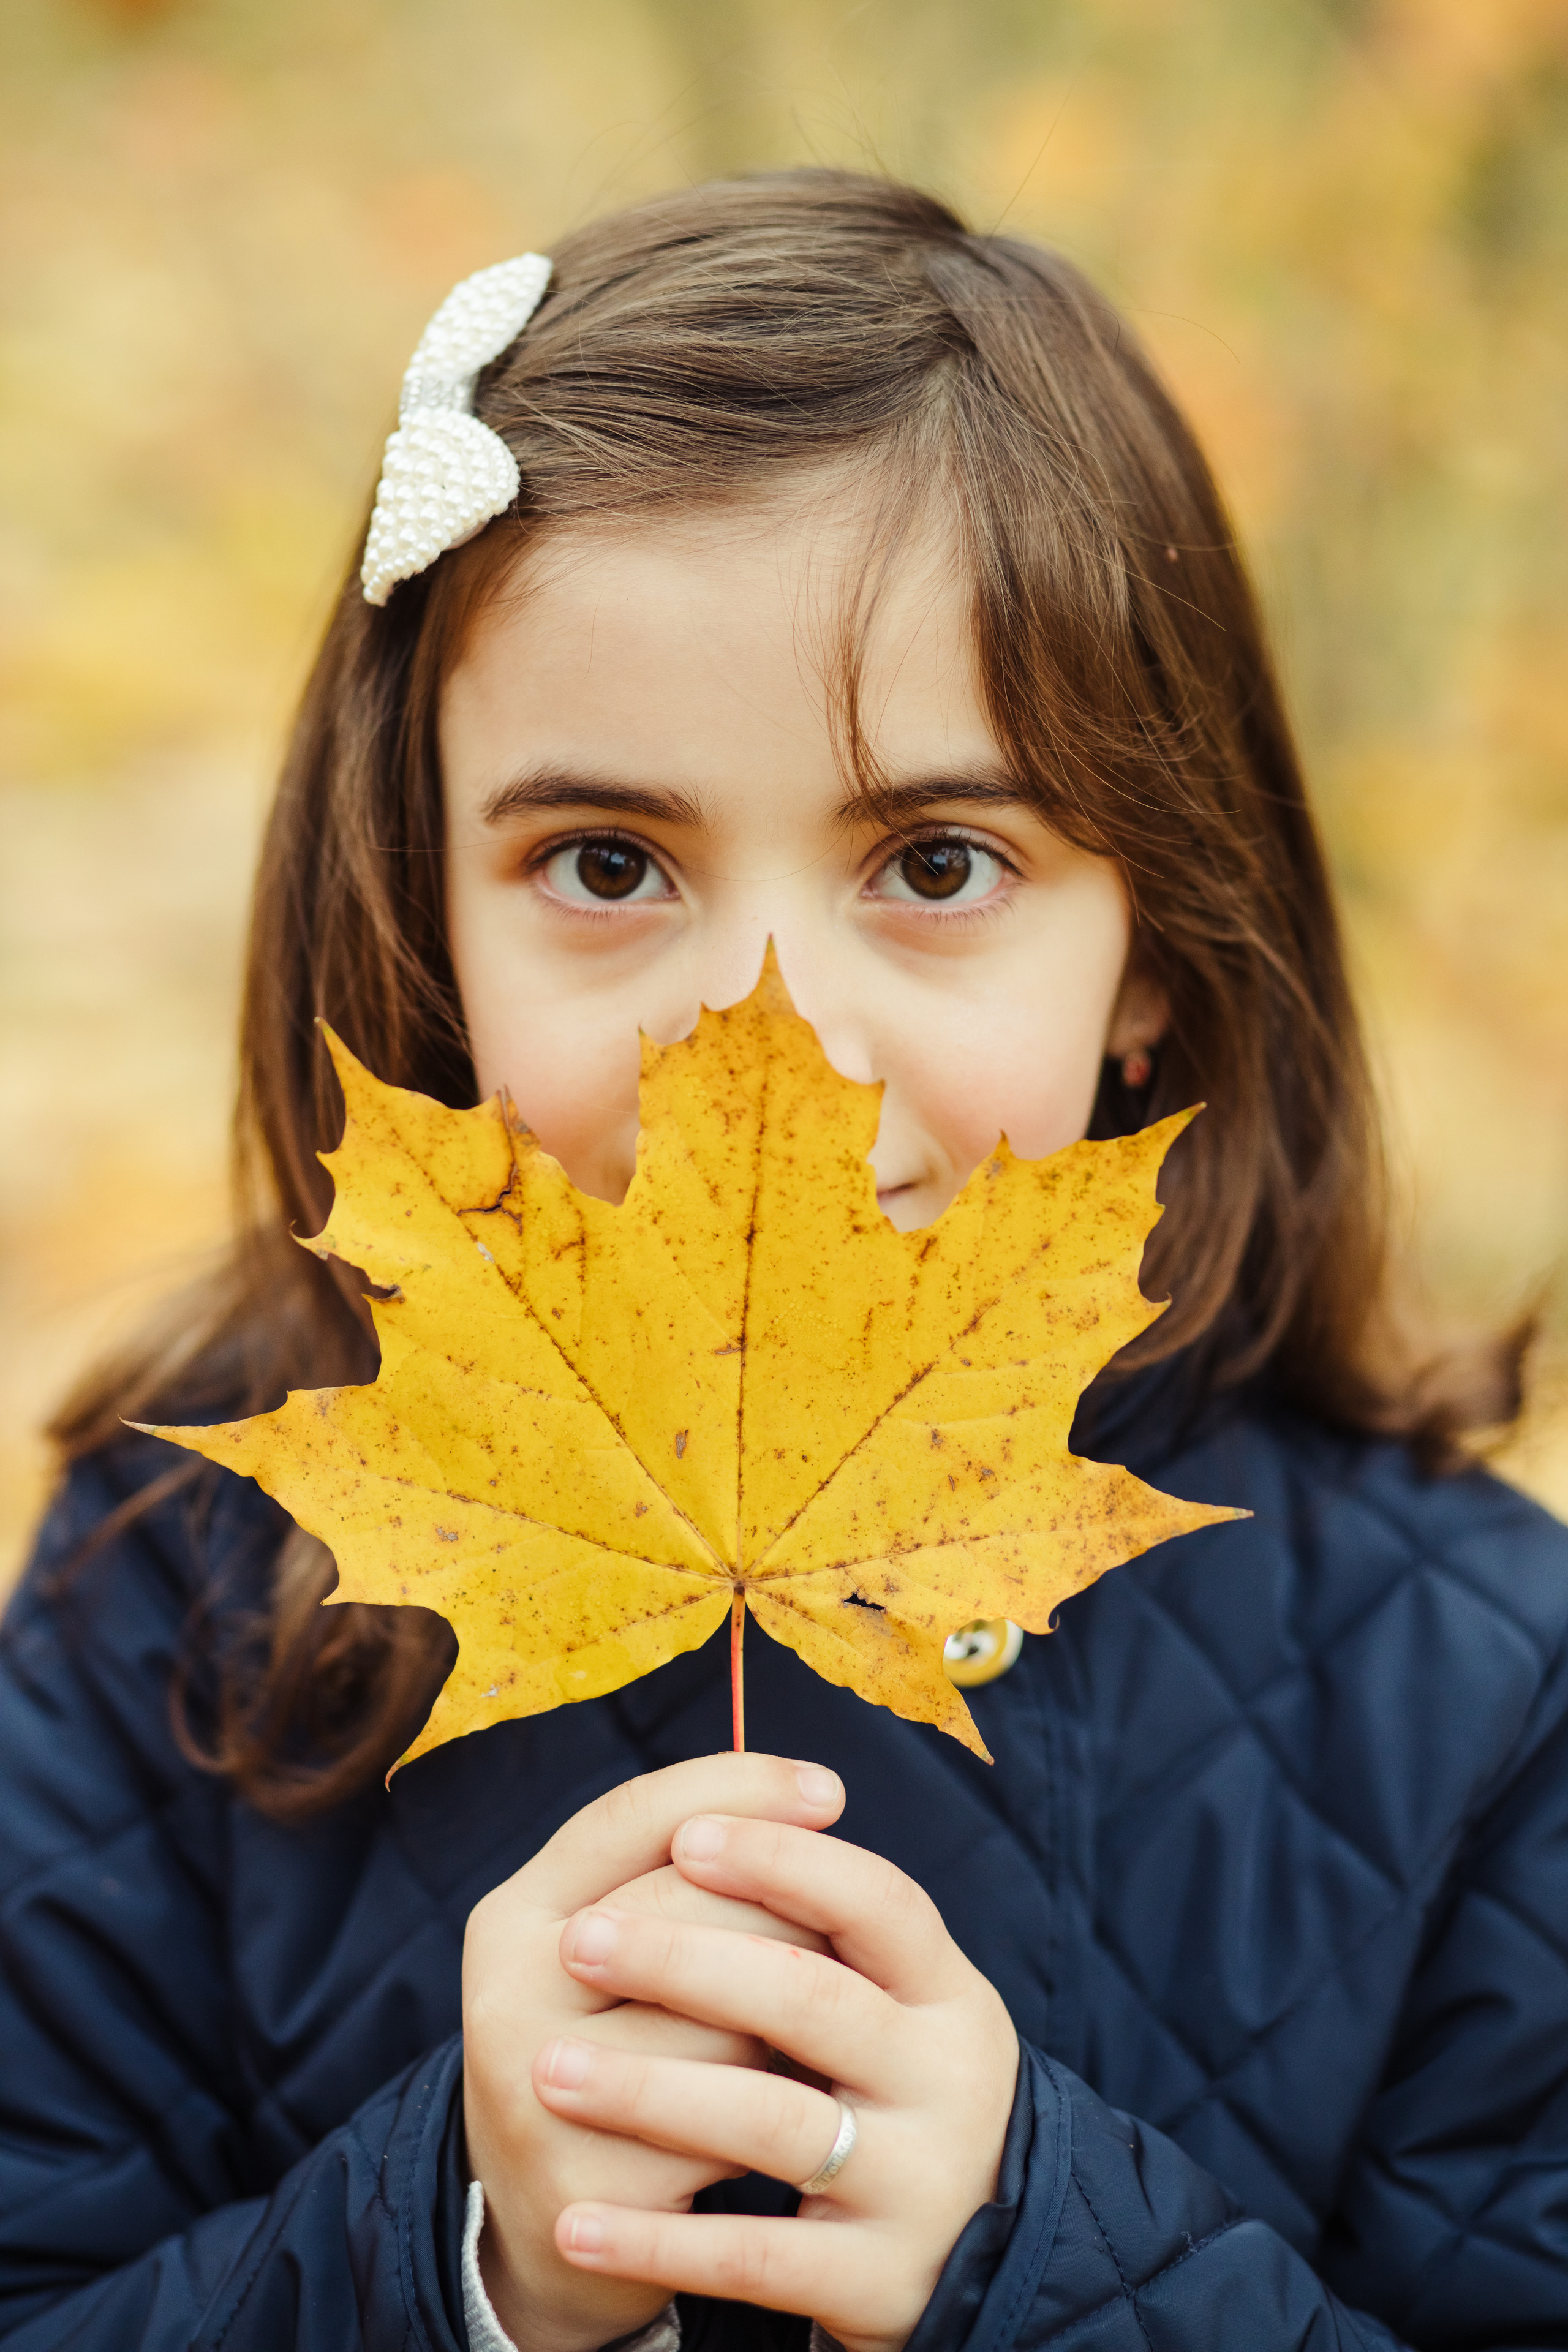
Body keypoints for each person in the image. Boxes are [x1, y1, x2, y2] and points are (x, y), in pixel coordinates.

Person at [1, 169, 1563, 2352]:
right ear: (422, 915)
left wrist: (1047, 2265)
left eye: (935, 860)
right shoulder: (166, 1603)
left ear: (1158, 960)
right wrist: (456, 2260)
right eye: (607, 860)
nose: (781, 1053)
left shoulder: (1482, 1693)